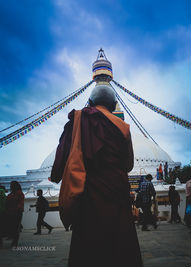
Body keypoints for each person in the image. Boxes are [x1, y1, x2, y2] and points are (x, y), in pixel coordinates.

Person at [50, 84, 143, 267]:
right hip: (117, 196)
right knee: (121, 247)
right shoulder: (123, 128)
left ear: (90, 102)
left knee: (87, 250)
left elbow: (61, 159)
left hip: (87, 195)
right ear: (115, 104)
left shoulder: (79, 119)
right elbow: (128, 164)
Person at [6, 181, 24, 247]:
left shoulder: (19, 193)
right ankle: (14, 241)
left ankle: (15, 242)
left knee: (15, 227)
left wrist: (16, 209)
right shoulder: (11, 194)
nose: (10, 186)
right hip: (11, 213)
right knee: (13, 227)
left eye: (11, 185)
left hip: (17, 213)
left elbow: (20, 203)